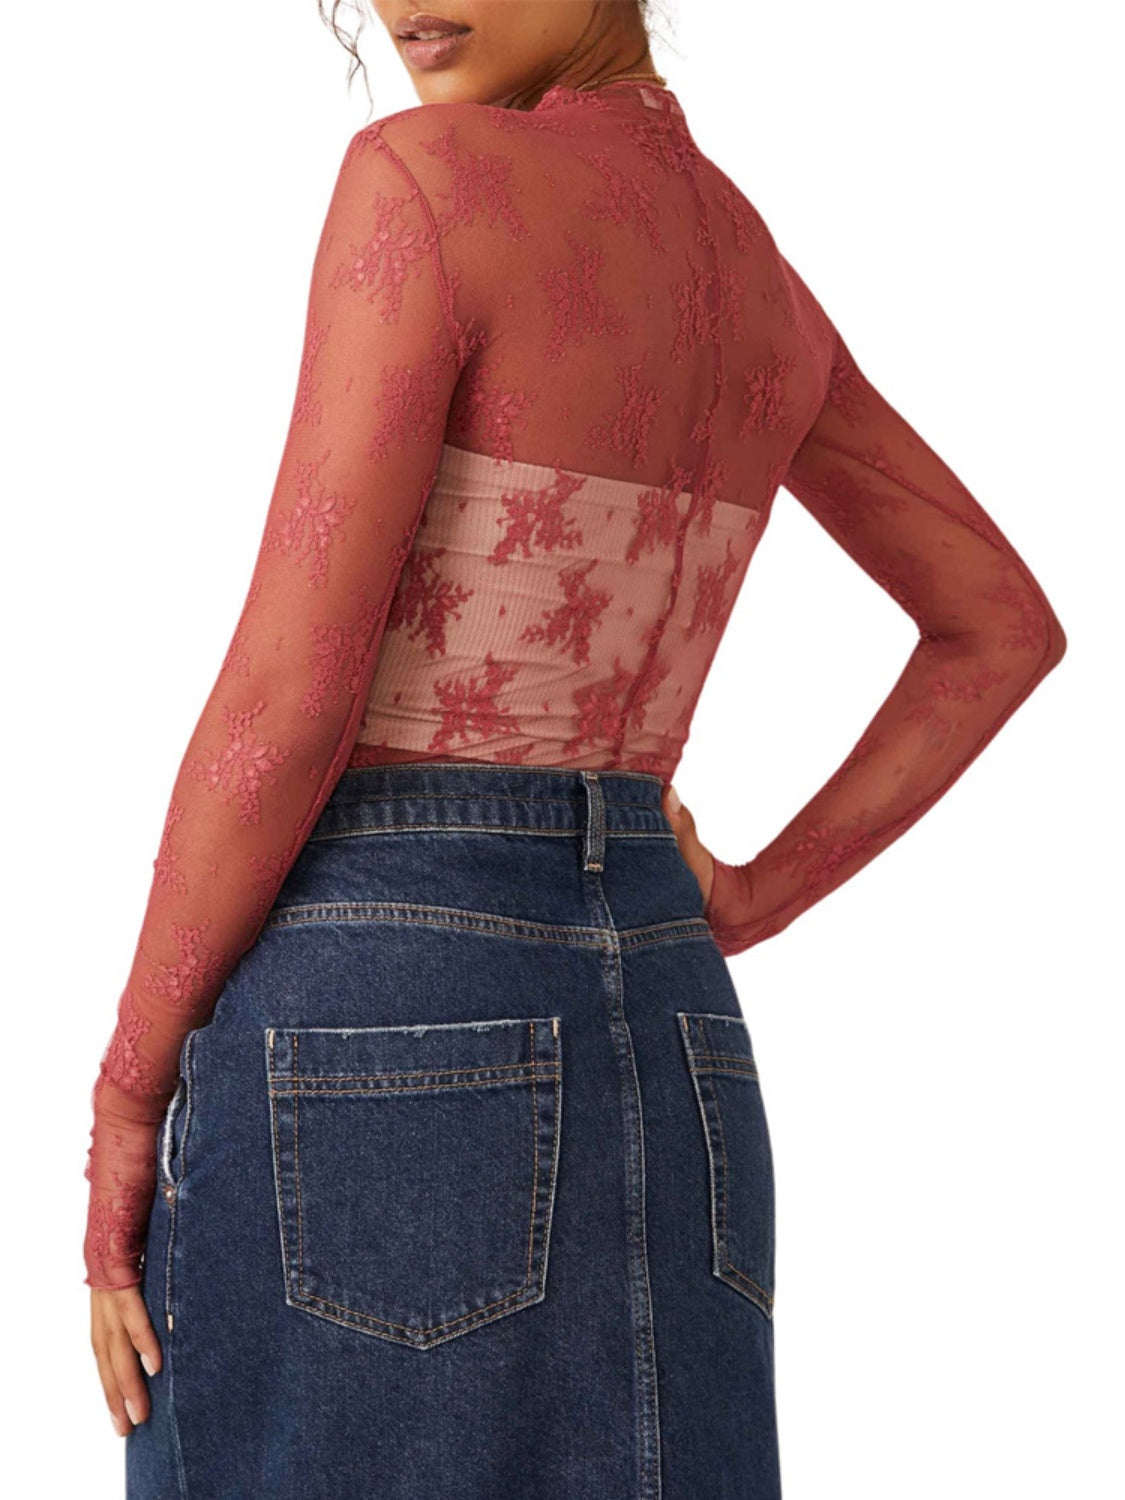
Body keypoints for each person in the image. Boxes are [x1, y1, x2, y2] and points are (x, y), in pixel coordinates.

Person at [84, 2, 1067, 1495]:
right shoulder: (755, 279)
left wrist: (123, 1104)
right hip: (674, 1033)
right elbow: (998, 626)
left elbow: (289, 703)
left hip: (377, 1020)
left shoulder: (426, 182)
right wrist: (743, 899)